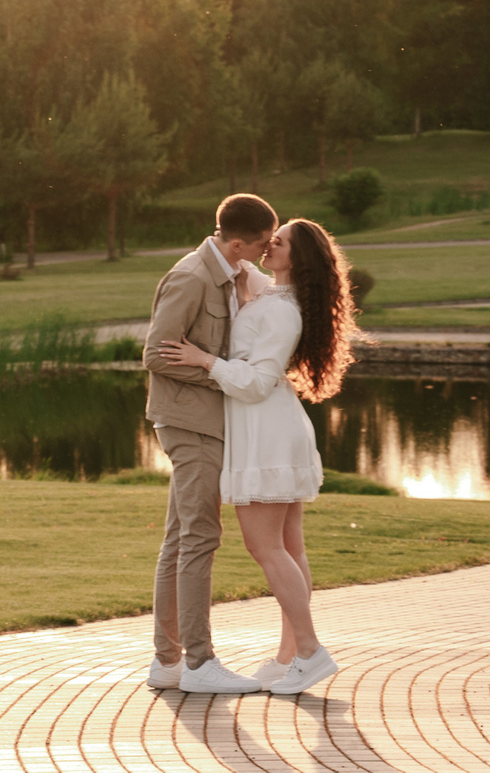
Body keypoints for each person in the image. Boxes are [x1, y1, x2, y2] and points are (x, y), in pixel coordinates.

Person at [157, 216, 358, 696]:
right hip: (271, 429)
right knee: (289, 548)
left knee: (265, 548)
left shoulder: (282, 312)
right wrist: (231, 246)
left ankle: (309, 652)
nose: (270, 245)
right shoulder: (273, 292)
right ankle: (289, 656)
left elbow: (257, 381)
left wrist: (204, 360)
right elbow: (232, 258)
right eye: (269, 238)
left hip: (265, 432)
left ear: (296, 257)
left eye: (280, 241)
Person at [143, 193, 277, 694]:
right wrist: (219, 373)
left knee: (180, 539)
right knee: (201, 536)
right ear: (238, 241)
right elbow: (157, 354)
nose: (268, 249)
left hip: (201, 422)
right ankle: (199, 663)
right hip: (189, 424)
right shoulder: (191, 278)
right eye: (263, 242)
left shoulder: (230, 274)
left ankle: (167, 663)